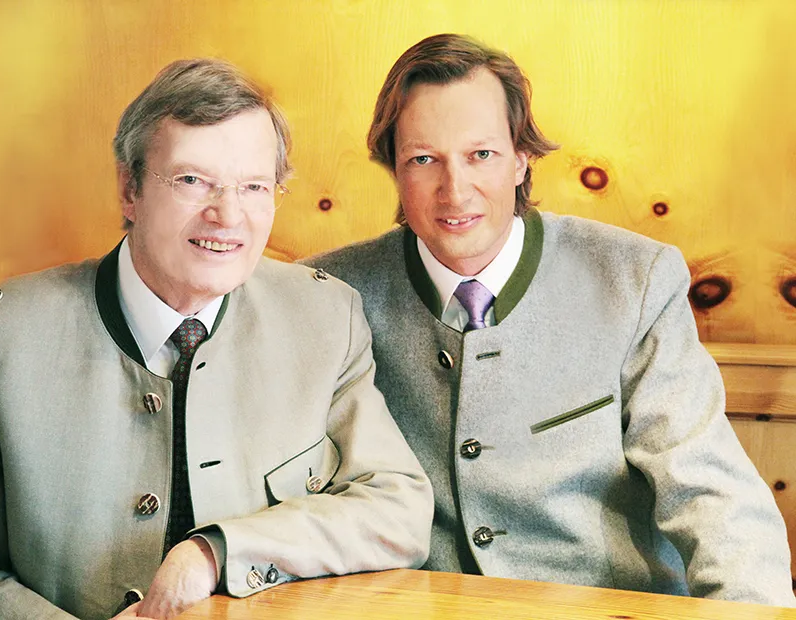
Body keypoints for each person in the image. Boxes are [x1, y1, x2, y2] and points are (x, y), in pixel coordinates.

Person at [0, 58, 433, 620]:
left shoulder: (324, 316)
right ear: (129, 189)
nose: (227, 215)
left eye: (253, 186)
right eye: (192, 181)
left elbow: (396, 510)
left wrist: (216, 552)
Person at [307, 33, 796, 606]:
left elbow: (712, 493)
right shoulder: (329, 293)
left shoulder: (635, 279)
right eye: (423, 159)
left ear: (522, 158)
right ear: (393, 167)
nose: (455, 191)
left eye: (481, 155)